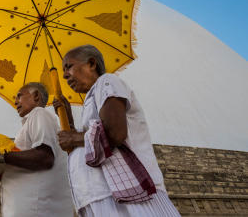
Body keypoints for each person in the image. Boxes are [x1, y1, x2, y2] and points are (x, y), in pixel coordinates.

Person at [53, 45, 180, 217]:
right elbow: (89, 141)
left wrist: (73, 137)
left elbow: (114, 133)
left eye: (69, 67)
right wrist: (68, 118)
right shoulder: (93, 96)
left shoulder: (107, 82)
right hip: (100, 195)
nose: (65, 75)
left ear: (91, 63)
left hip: (124, 194)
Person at [0, 82, 73, 217]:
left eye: (19, 96)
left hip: (37, 210)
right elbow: (29, 164)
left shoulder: (39, 114)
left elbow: (44, 158)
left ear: (36, 96)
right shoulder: (32, 123)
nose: (15, 102)